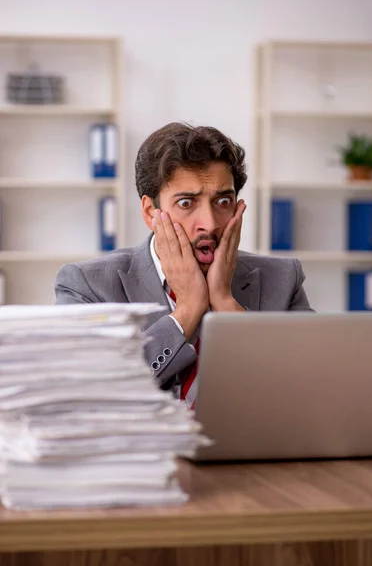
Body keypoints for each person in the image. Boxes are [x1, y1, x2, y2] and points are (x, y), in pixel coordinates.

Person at [55, 123, 313, 403]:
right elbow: (89, 394)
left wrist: (227, 305)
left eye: (223, 201)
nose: (210, 224)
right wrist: (188, 310)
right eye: (187, 203)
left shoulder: (285, 279)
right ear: (150, 212)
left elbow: (310, 387)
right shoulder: (86, 285)